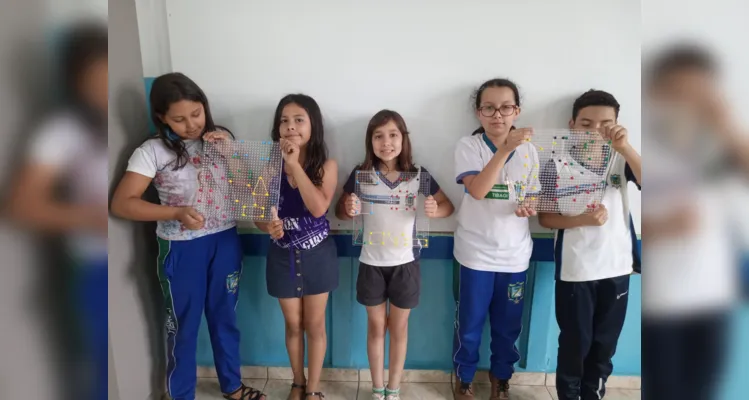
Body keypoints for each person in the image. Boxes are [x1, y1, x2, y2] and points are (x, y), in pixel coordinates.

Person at [110, 73, 266, 400]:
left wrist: (232, 154)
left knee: (225, 318)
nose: (192, 125)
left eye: (196, 114)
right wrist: (176, 213)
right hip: (181, 248)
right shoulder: (152, 150)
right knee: (183, 327)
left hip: (224, 239)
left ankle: (232, 387)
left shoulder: (220, 138)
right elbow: (122, 204)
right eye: (179, 119)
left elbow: (245, 189)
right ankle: (181, 394)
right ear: (161, 118)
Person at [6, 22, 108, 400]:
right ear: (76, 82)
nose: (104, 89)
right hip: (94, 268)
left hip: (130, 260)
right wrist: (90, 218)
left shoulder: (113, 126)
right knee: (96, 370)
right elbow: (20, 206)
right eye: (95, 78)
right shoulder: (63, 131)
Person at [640, 44, 745, 400]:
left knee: (701, 390)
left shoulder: (718, 144)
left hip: (713, 299)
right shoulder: (644, 145)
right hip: (659, 305)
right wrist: (662, 229)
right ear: (657, 91)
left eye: (697, 93)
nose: (686, 102)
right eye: (677, 91)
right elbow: (616, 216)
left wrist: (724, 120)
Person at [335, 110, 454, 400]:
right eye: (378, 136)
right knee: (376, 327)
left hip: (406, 264)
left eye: (393, 135)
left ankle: (394, 388)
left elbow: (448, 206)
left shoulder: (418, 176)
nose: (386, 142)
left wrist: (434, 210)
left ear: (403, 139)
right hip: (371, 264)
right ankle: (377, 389)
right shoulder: (361, 175)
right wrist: (348, 208)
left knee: (399, 328)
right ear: (370, 141)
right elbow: (340, 210)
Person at [536, 89, 641, 400]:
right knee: (575, 343)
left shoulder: (621, 160)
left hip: (617, 267)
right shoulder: (556, 162)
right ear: (572, 124)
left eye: (605, 124)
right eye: (586, 124)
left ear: (617, 125)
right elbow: (546, 219)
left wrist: (625, 146)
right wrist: (581, 220)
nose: (595, 131)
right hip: (575, 270)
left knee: (604, 344)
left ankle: (593, 393)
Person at [452, 78, 540, 400]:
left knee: (507, 327)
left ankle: (501, 379)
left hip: (515, 256)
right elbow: (477, 190)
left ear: (516, 111)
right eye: (488, 107)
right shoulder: (469, 146)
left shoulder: (530, 152)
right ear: (479, 112)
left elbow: (530, 197)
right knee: (470, 326)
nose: (497, 115)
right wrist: (505, 149)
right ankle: (464, 379)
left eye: (505, 107)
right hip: (474, 255)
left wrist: (527, 207)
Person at [254, 94, 339, 400]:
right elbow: (258, 216)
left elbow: (318, 208)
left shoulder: (326, 166)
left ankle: (314, 389)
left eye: (299, 120)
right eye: (284, 120)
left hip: (318, 255)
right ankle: (298, 382)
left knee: (315, 325)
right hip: (281, 256)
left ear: (313, 126)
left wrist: (293, 164)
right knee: (293, 324)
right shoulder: (268, 168)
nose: (290, 127)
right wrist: (268, 225)